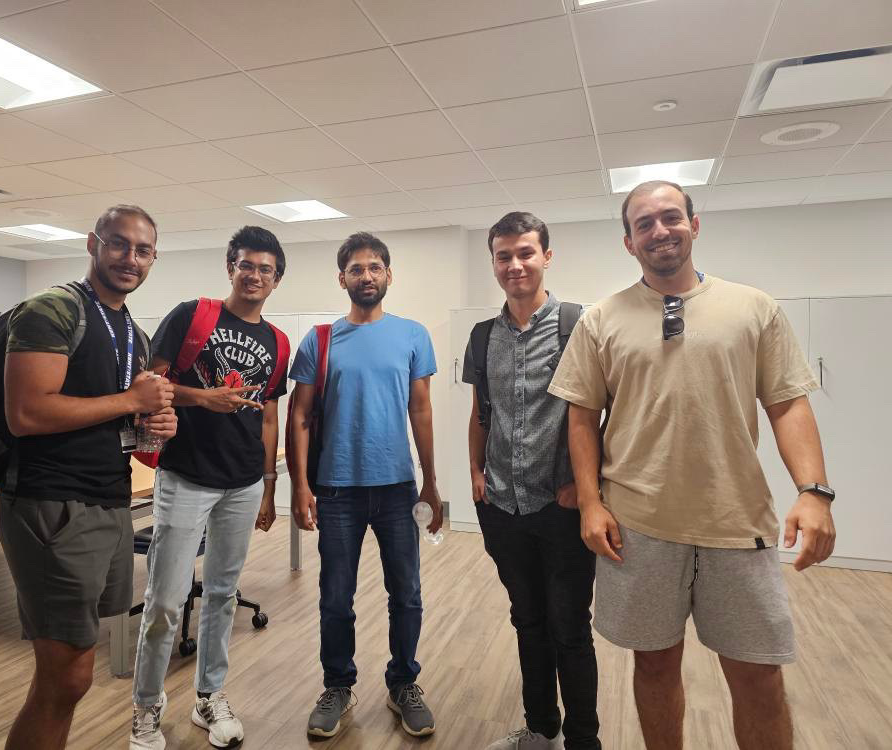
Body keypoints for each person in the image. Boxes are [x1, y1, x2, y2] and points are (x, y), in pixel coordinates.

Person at [549, 181, 837, 750]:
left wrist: (814, 491)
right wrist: (589, 501)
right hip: (639, 526)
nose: (660, 231)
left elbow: (787, 404)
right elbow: (581, 418)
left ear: (694, 224)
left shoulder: (753, 308)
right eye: (644, 224)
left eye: (670, 217)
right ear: (628, 242)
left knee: (757, 674)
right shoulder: (602, 320)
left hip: (736, 524)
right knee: (654, 666)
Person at [0, 204, 177, 750]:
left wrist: (154, 424)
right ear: (92, 244)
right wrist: (129, 398)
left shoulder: (132, 332)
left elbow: (122, 422)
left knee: (74, 672)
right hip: (52, 504)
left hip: (107, 502)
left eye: (143, 250)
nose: (131, 259)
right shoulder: (51, 311)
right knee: (66, 676)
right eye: (119, 244)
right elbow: (26, 414)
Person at [129, 226, 289, 749]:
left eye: (265, 269)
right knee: (165, 601)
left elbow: (269, 418)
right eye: (247, 265)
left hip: (243, 483)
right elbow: (149, 388)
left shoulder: (277, 342)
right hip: (185, 476)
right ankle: (147, 710)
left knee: (222, 595)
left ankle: (209, 696)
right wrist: (205, 399)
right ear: (230, 267)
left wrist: (268, 486)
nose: (255, 275)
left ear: (276, 278)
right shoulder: (191, 315)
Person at [288, 232, 442, 739]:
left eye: (375, 267)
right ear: (342, 279)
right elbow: (302, 415)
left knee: (408, 594)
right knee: (336, 596)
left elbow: (420, 409)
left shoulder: (413, 335)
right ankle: (337, 685)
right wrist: (299, 487)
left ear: (389, 275)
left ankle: (403, 683)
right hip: (336, 491)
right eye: (357, 269)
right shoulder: (320, 340)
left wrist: (431, 483)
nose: (367, 276)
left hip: (398, 488)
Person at [464, 212, 601, 750]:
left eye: (525, 253)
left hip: (562, 508)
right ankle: (541, 728)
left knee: (570, 628)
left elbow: (603, 412)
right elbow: (482, 412)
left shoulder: (579, 325)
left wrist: (585, 487)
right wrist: (475, 474)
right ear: (494, 263)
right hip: (502, 508)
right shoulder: (482, 336)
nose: (515, 264)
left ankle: (583, 740)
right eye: (504, 256)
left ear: (546, 256)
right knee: (528, 621)